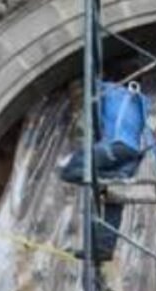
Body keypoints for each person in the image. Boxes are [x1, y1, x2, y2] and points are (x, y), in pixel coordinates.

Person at [59, 80, 150, 262]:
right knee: (114, 198)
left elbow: (90, 123)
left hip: (117, 145)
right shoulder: (141, 99)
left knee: (69, 170)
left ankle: (109, 177)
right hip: (134, 153)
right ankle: (103, 249)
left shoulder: (106, 90)